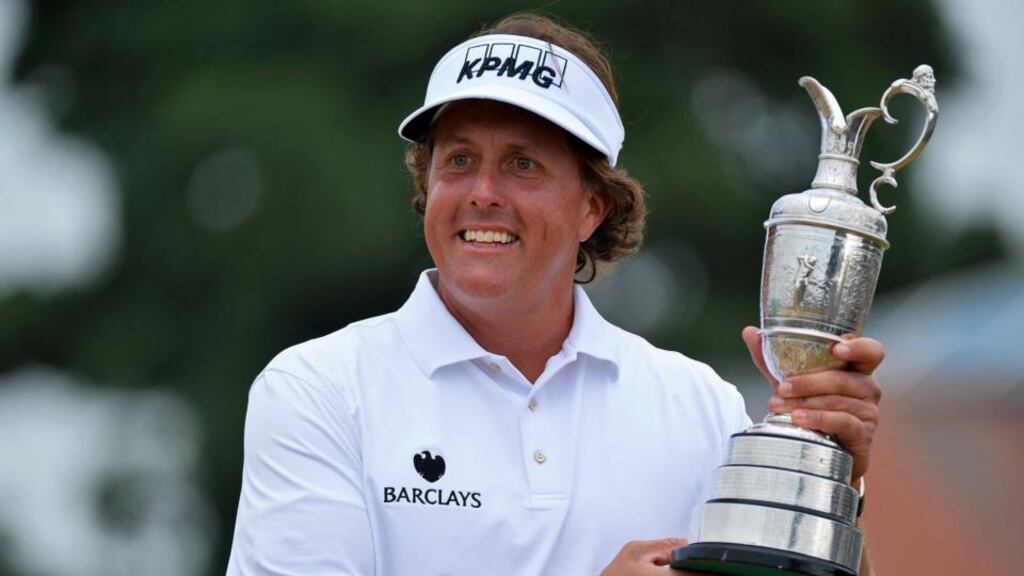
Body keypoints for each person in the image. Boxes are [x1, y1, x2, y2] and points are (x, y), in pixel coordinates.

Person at [226, 13, 883, 576]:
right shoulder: (318, 390)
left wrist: (830, 481)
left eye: (523, 163)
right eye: (457, 160)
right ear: (427, 188)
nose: (483, 191)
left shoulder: (703, 409)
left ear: (592, 208)